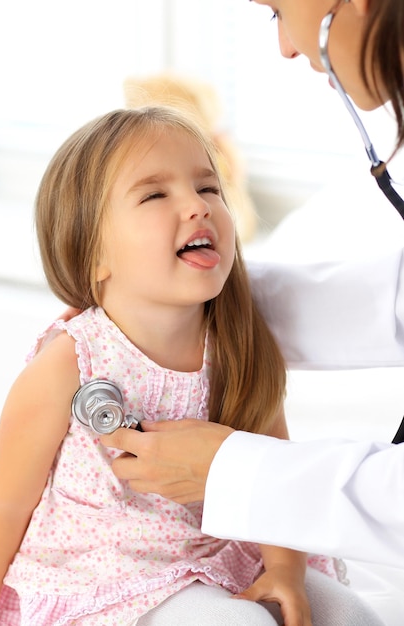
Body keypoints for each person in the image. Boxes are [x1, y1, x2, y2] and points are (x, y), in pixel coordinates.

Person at [0, 106, 384, 626]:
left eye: (209, 188)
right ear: (92, 253)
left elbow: (277, 472)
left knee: (350, 615)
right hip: (106, 579)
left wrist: (285, 570)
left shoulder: (238, 344)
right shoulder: (69, 363)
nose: (197, 207)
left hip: (220, 556)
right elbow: (4, 508)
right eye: (155, 194)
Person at [95, 0, 404, 569]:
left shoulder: (243, 354)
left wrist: (238, 477)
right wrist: (170, 298)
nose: (286, 45)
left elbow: (272, 447)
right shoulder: (77, 357)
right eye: (155, 194)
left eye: (280, 11)